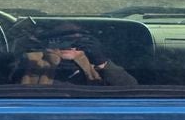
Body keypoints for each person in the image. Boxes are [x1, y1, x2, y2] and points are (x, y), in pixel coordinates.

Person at [8, 19, 137, 86]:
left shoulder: (98, 65)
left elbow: (130, 90)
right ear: (49, 39)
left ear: (89, 40)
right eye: (62, 38)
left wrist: (102, 63)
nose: (69, 45)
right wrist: (20, 47)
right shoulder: (32, 61)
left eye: (77, 39)